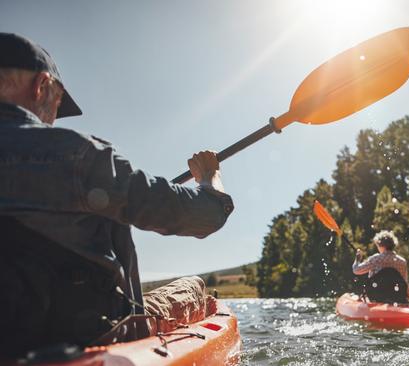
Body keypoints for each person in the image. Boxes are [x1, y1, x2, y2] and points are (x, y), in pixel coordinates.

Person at [0, 33, 234, 356]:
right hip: (93, 335)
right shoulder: (81, 157)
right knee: (194, 286)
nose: (53, 119)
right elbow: (205, 216)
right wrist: (210, 180)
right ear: (41, 86)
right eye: (56, 104)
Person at [352, 230, 409, 302]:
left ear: (381, 245)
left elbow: (356, 270)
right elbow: (404, 282)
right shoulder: (402, 261)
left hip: (376, 296)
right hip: (397, 296)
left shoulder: (376, 259)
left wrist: (357, 259)